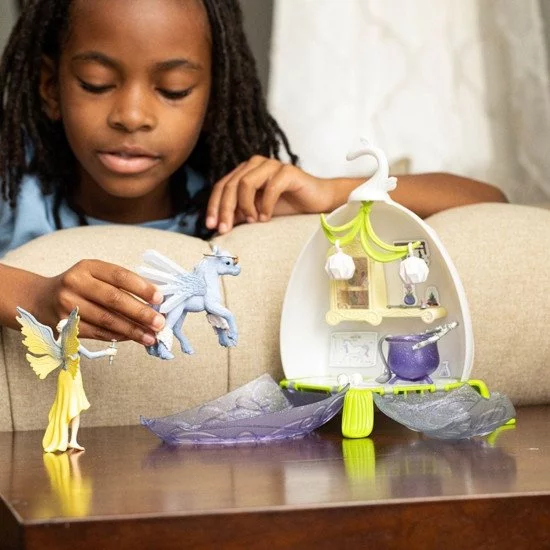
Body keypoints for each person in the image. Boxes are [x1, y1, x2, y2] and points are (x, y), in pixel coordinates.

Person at [0, 0, 506, 347]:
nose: (132, 116)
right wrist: (34, 295)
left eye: (173, 90)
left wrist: (330, 193)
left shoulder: (239, 199)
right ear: (49, 88)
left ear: (214, 98)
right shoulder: (13, 191)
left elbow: (490, 203)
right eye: (96, 83)